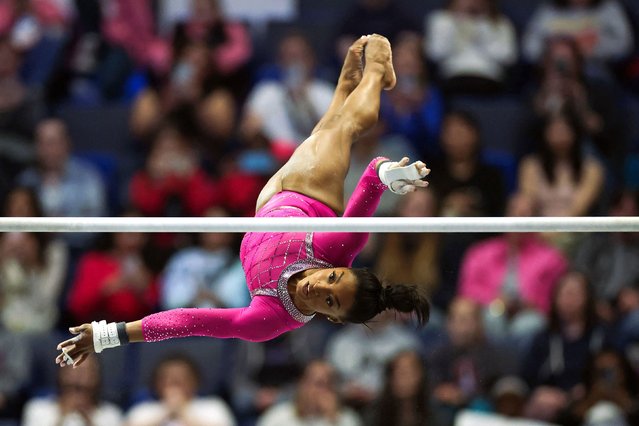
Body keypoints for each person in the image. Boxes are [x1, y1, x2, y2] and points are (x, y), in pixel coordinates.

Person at [56, 34, 431, 368]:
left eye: (329, 301)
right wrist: (387, 176)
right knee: (345, 129)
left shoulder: (268, 320)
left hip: (269, 201)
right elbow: (371, 178)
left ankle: (344, 88)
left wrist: (110, 335)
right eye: (333, 277)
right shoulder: (339, 246)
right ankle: (376, 73)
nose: (320, 285)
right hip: (309, 191)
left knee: (330, 128)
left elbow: (191, 321)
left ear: (330, 318)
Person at [424, 0, 517, 96]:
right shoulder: (442, 19)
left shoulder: (501, 23)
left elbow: (508, 58)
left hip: (488, 78)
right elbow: (435, 54)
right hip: (453, 76)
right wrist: (455, 23)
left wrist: (481, 28)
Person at [126, 353, 236, 426]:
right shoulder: (142, 410)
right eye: (167, 378)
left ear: (196, 381)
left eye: (181, 378)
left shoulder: (213, 406)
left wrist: (182, 411)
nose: (174, 383)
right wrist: (166, 411)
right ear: (156, 383)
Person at [22, 354, 123, 426]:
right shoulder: (37, 409)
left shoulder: (111, 415)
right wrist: (61, 418)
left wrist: (89, 422)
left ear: (97, 378)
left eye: (85, 372)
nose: (78, 379)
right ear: (60, 374)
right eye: (73, 370)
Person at [257, 359, 362, 426]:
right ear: (301, 384)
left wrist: (332, 420)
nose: (316, 391)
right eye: (314, 383)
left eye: (325, 385)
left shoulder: (346, 419)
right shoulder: (277, 415)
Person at [366, 350, 431, 426]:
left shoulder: (433, 412)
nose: (404, 378)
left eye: (409, 373)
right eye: (399, 372)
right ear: (390, 377)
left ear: (421, 376)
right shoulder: (375, 413)